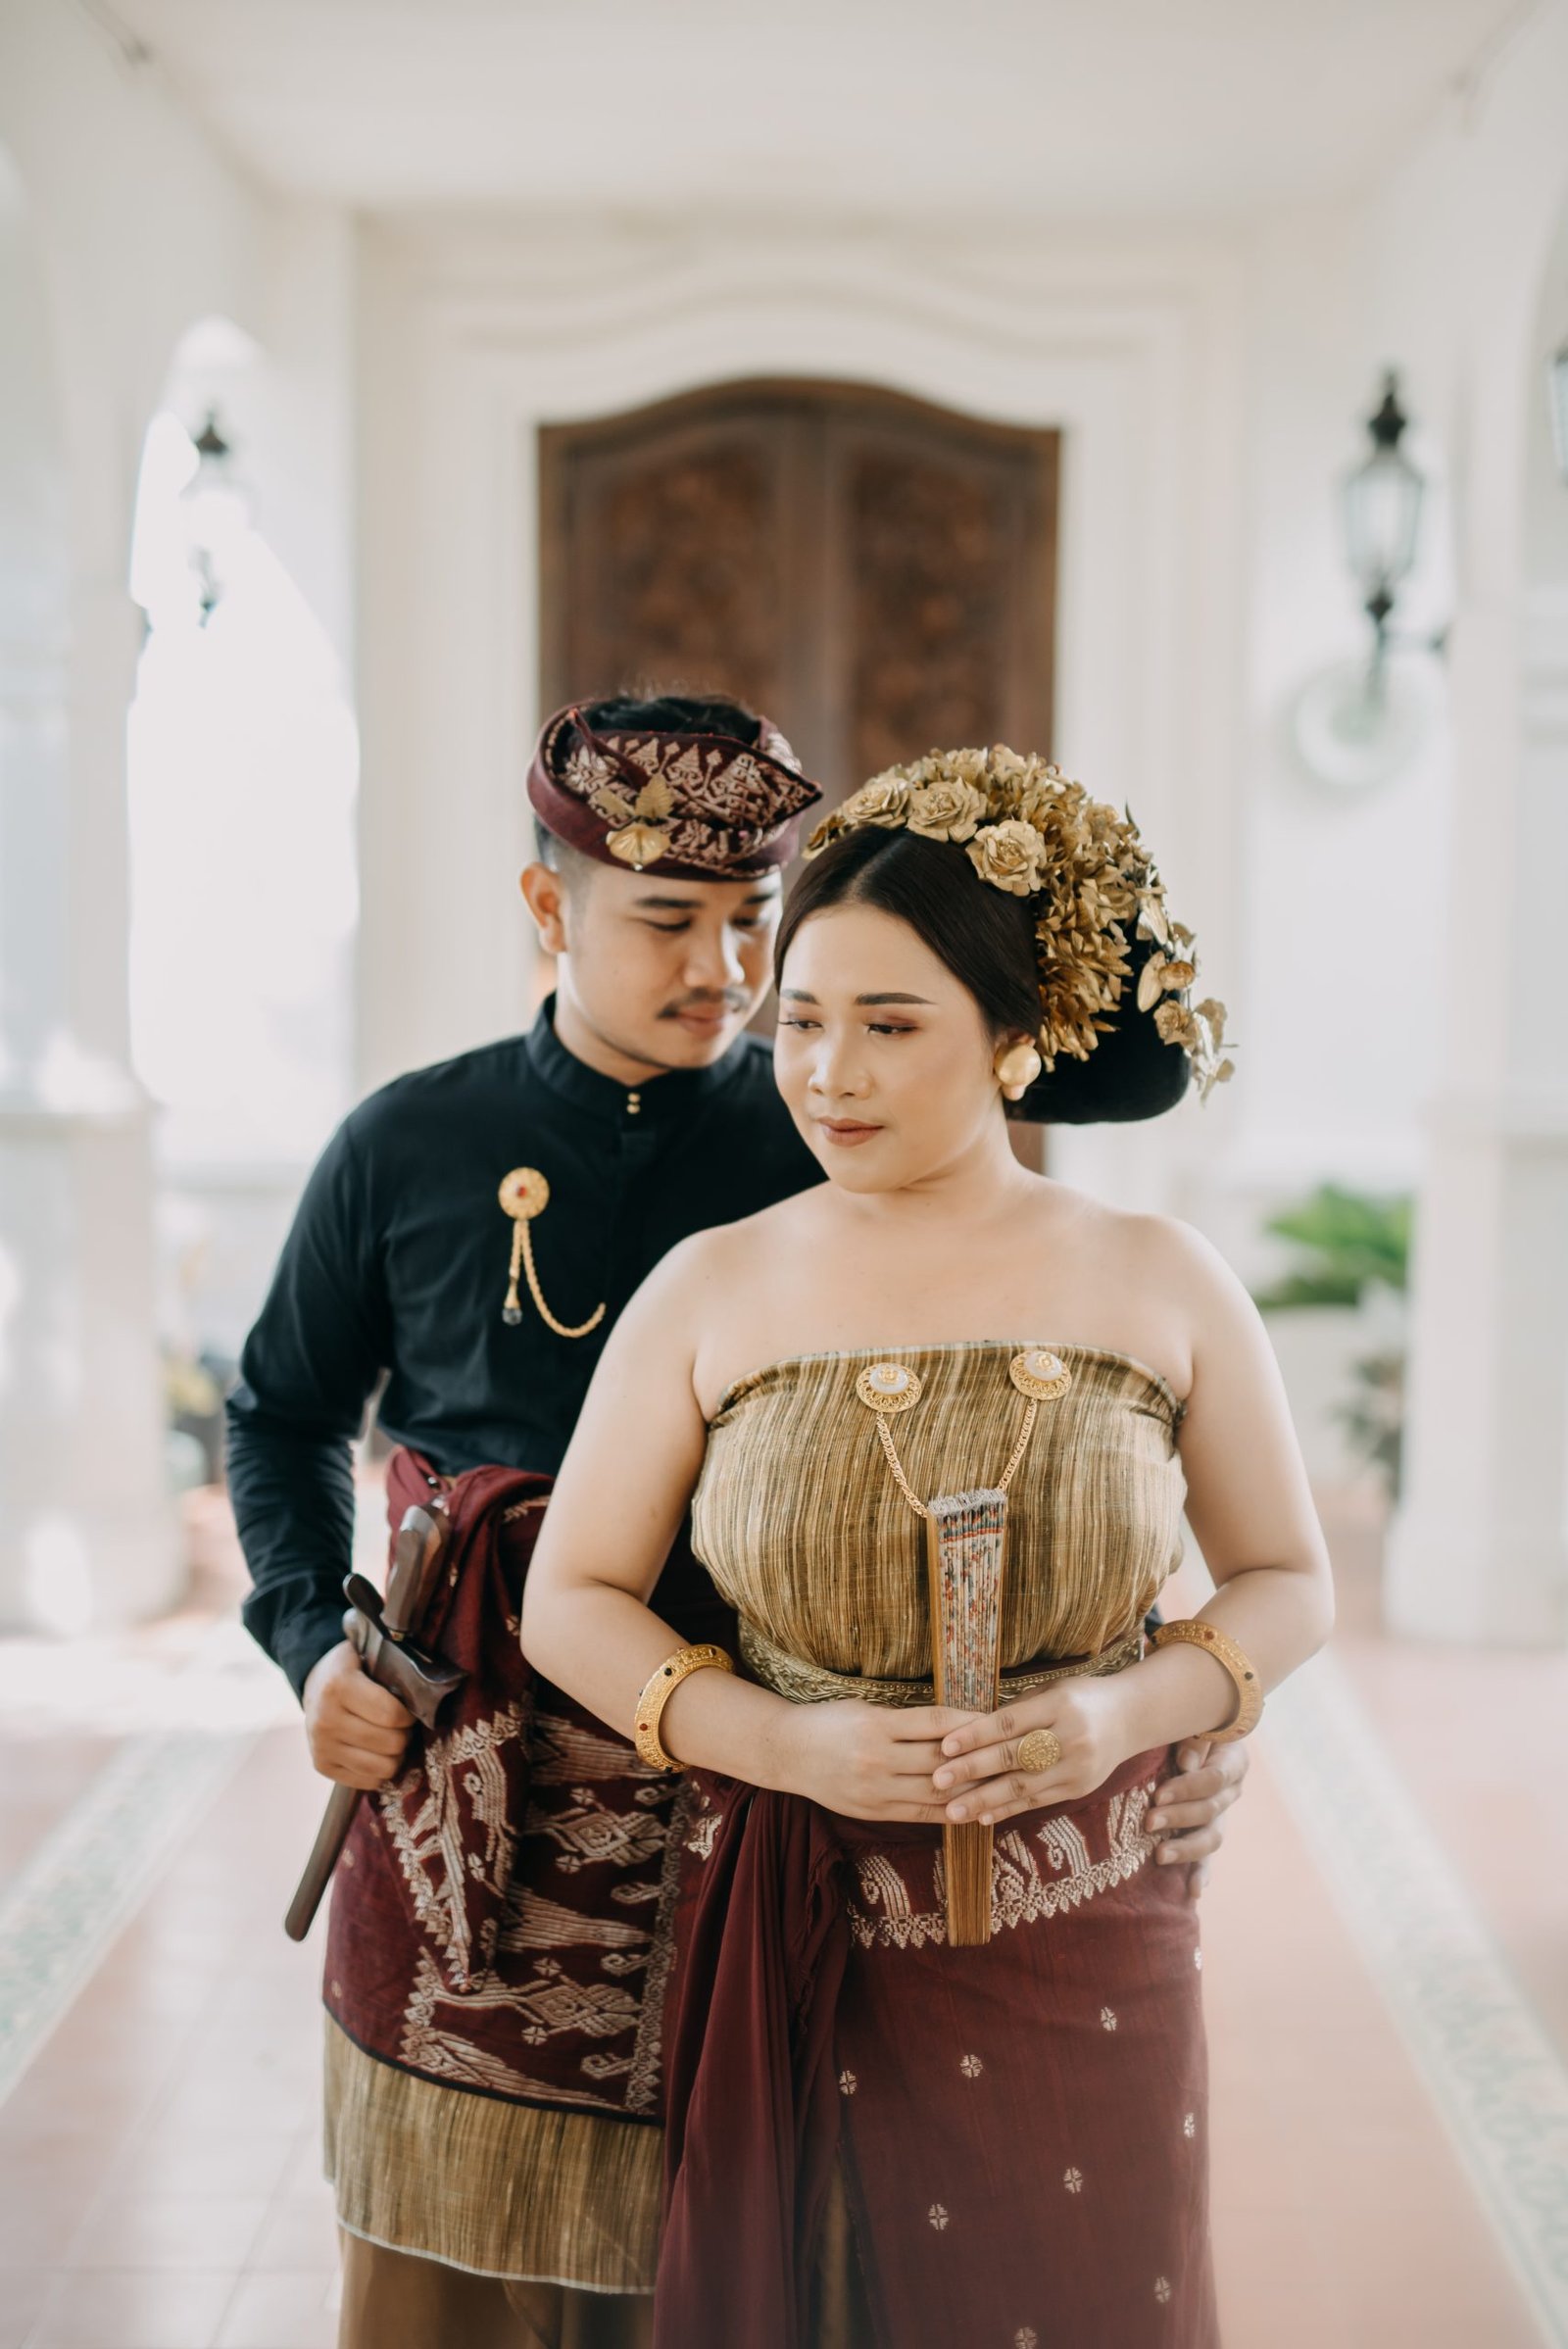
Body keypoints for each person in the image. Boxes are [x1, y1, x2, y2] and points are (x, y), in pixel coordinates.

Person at [521, 746, 1333, 2349]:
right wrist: (783, 1741)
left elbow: (1290, 1581)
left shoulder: (1161, 1276)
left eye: (891, 1026)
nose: (830, 1073)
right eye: (803, 1020)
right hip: (799, 1925)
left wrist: (1126, 1710)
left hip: (1095, 1929)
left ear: (1018, 1039)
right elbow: (575, 1598)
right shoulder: (713, 1286)